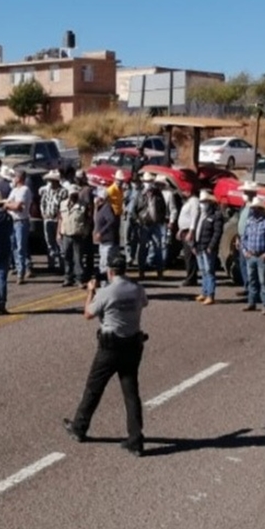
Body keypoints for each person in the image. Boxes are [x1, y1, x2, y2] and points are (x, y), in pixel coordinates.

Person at [62, 251, 150, 457]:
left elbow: (88, 314)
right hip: (132, 344)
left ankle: (79, 427)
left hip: (110, 347)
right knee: (131, 392)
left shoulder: (106, 292)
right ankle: (136, 439)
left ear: (110, 271)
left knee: (94, 387)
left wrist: (90, 292)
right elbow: (145, 303)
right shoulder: (136, 289)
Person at [241, 197, 265, 315]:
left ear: (261, 209)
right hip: (250, 255)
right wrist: (245, 251)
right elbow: (244, 237)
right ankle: (251, 302)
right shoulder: (249, 221)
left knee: (263, 281)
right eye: (253, 208)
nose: (254, 210)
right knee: (252, 280)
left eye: (256, 208)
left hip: (262, 256)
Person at [192, 190, 224, 305]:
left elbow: (217, 232)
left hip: (208, 248)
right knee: (203, 271)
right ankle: (204, 292)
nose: (203, 204)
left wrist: (211, 246)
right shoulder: (201, 214)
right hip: (200, 246)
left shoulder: (216, 215)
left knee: (209, 271)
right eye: (202, 201)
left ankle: (210, 295)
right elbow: (196, 230)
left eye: (205, 201)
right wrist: (194, 245)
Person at [135, 174, 169, 279]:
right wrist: (138, 220)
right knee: (143, 248)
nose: (148, 183)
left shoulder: (158, 193)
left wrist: (162, 220)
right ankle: (141, 271)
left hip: (156, 224)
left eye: (150, 181)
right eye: (146, 181)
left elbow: (163, 207)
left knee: (158, 247)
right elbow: (134, 209)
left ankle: (160, 272)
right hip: (144, 224)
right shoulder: (139, 194)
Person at [57, 182, 90, 287]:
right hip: (66, 234)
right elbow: (60, 219)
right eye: (71, 195)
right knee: (66, 257)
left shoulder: (83, 205)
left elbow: (88, 220)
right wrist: (58, 233)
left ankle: (79, 278)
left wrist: (86, 232)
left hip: (78, 234)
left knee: (78, 258)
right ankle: (68, 278)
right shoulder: (62, 204)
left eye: (75, 195)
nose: (73, 197)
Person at [6, 169, 34, 283]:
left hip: (21, 222)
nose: (13, 179)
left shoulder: (25, 190)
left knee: (21, 247)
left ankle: (21, 273)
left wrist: (10, 205)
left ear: (19, 178)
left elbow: (18, 206)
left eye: (15, 177)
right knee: (14, 246)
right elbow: (6, 203)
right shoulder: (14, 190)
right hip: (12, 221)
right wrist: (10, 205)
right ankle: (19, 267)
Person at [39, 170, 68, 273]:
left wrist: (60, 216)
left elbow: (64, 205)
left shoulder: (63, 191)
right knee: (49, 242)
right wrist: (43, 213)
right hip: (47, 219)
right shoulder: (46, 191)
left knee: (59, 241)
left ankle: (62, 264)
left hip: (58, 219)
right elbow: (42, 202)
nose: (51, 182)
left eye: (52, 180)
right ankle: (51, 263)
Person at [235, 182, 260, 295]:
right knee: (243, 264)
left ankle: (254, 289)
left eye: (246, 192)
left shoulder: (256, 207)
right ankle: (247, 287)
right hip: (242, 238)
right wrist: (238, 237)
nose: (244, 194)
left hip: (250, 239)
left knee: (251, 266)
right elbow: (240, 221)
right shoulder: (244, 205)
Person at [93, 187, 119, 282]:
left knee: (106, 263)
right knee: (102, 263)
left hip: (108, 241)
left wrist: (101, 232)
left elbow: (111, 220)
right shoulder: (100, 208)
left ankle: (107, 283)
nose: (96, 198)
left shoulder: (107, 208)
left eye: (98, 197)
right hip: (103, 241)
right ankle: (105, 282)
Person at [177, 186, 202, 286]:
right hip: (185, 230)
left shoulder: (194, 201)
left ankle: (191, 278)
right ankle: (190, 276)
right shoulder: (188, 202)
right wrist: (180, 230)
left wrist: (191, 231)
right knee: (187, 256)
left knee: (190, 256)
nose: (183, 192)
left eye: (184, 190)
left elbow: (194, 217)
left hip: (189, 231)